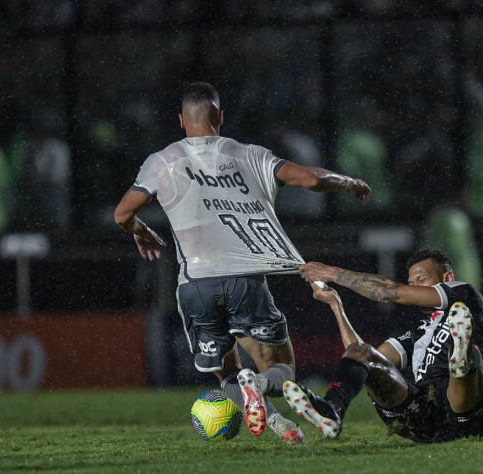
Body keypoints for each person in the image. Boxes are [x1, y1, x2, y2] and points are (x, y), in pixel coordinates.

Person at [114, 82, 371, 444]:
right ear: (220, 117)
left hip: (195, 286)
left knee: (227, 374)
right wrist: (349, 182)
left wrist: (139, 230)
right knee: (281, 369)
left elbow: (122, 213)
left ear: (181, 121)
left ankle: (280, 426)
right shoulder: (249, 154)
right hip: (245, 281)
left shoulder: (162, 161)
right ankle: (263, 385)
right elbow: (311, 179)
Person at [288, 248, 483, 442]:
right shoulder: (416, 332)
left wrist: (332, 273)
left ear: (448, 278)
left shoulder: (464, 295)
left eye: (421, 280)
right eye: (411, 283)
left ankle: (461, 362)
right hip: (419, 415)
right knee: (361, 352)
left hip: (467, 413)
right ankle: (332, 410)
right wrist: (336, 304)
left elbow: (387, 292)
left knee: (470, 357)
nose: (414, 288)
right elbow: (364, 362)